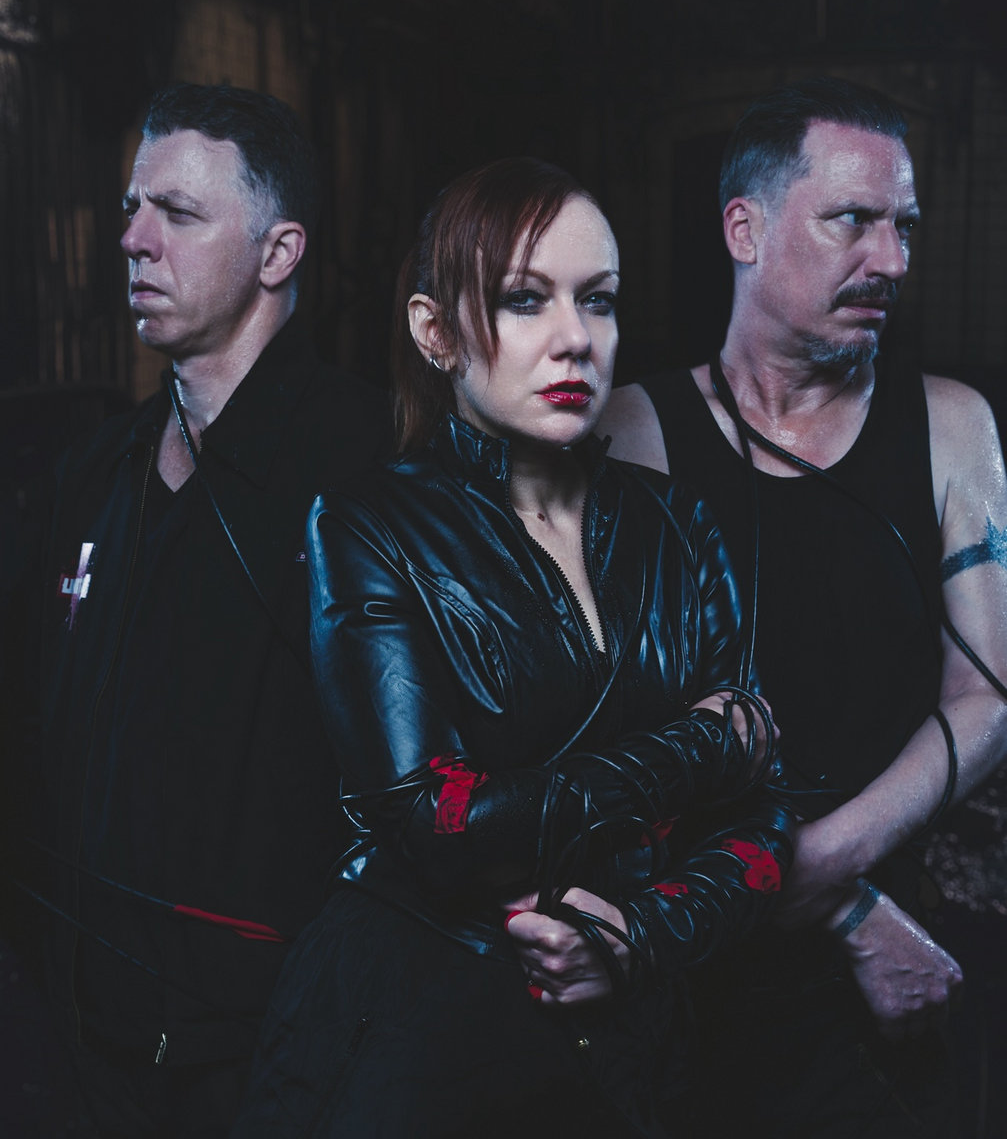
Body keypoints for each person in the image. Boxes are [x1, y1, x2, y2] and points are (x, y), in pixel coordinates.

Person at [233, 157, 795, 1139]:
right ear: (435, 332)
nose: (575, 336)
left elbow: (767, 813)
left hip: (629, 1049)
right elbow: (436, 825)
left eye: (598, 300)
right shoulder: (368, 527)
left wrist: (640, 934)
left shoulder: (676, 526)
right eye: (525, 300)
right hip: (420, 1044)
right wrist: (701, 746)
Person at [599, 76, 1007, 1137]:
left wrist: (826, 873)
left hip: (899, 966)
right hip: (688, 974)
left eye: (903, 227)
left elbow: (986, 697)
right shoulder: (630, 433)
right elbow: (611, 731)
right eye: (852, 221)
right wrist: (831, 908)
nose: (891, 260)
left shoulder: (949, 427)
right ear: (743, 229)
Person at [16, 83, 390, 1137]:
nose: (133, 240)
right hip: (82, 1054)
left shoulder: (370, 468)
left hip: (279, 1064)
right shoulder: (97, 472)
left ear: (278, 253)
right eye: (132, 208)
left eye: (177, 214)